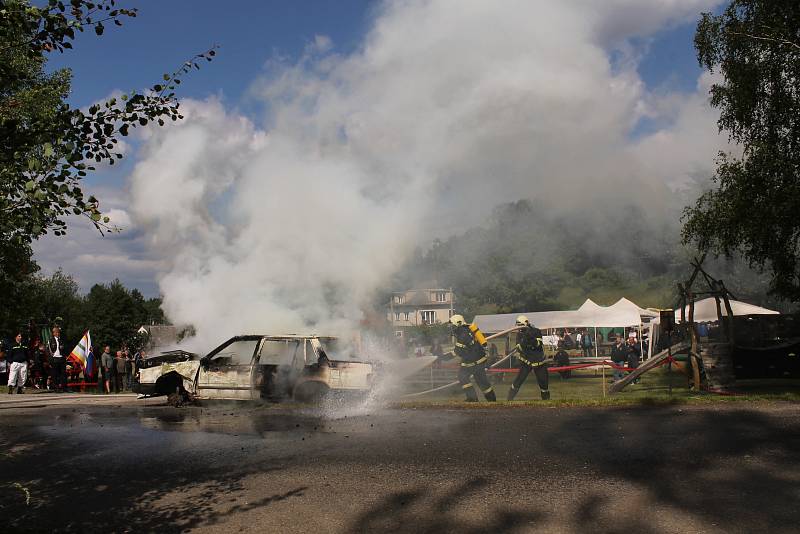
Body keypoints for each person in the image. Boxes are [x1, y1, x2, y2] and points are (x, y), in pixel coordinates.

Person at [450, 314, 496, 402]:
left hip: (476, 362)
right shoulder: (467, 330)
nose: (452, 328)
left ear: (458, 323)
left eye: (453, 325)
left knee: (481, 382)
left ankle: (478, 399)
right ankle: (476, 398)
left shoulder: (463, 334)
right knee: (465, 377)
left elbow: (457, 351)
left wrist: (442, 357)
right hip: (472, 361)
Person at [507, 316, 549, 400]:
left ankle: (546, 402)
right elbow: (519, 349)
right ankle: (508, 401)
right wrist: (524, 342)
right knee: (517, 382)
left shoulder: (536, 331)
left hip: (539, 362)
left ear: (525, 323)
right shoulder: (519, 334)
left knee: (543, 384)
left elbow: (538, 344)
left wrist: (531, 339)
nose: (519, 328)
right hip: (526, 361)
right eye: (518, 325)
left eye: (520, 325)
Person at [48, 326, 67, 392]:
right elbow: (49, 351)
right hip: (54, 359)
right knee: (55, 374)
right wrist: (50, 361)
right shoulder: (50, 340)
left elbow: (65, 349)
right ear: (53, 333)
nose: (57, 334)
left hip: (61, 358)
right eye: (56, 332)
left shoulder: (62, 340)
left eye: (58, 332)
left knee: (63, 374)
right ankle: (56, 387)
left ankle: (64, 387)